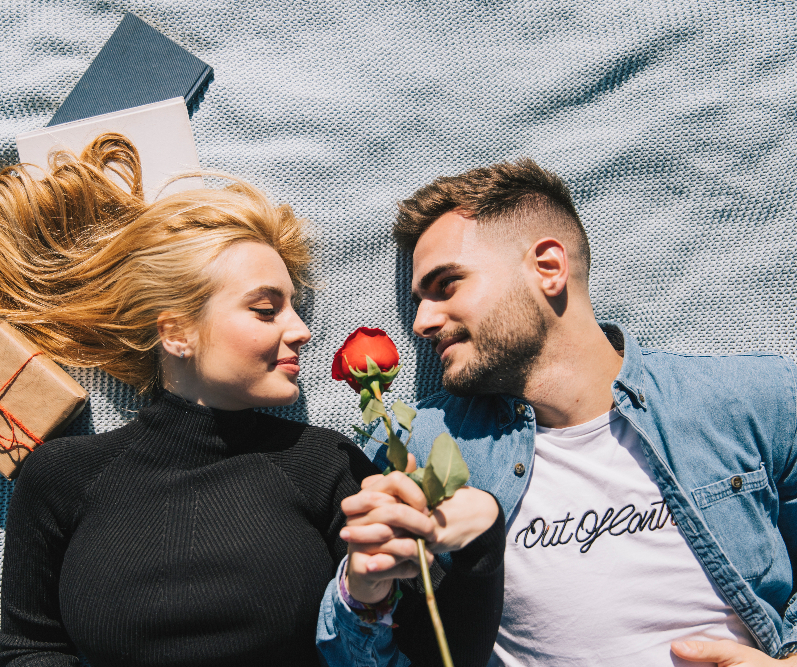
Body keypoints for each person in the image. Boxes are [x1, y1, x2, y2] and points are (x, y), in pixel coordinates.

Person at [0, 134, 505, 666]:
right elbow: (30, 650)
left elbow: (422, 653)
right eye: (267, 308)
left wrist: (477, 549)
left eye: (295, 307)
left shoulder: (327, 466)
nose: (301, 330)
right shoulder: (61, 476)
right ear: (177, 333)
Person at [334, 158, 797, 666]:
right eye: (419, 299)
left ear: (548, 268)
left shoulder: (748, 398)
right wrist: (363, 596)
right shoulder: (414, 451)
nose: (422, 322)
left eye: (446, 285)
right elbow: (358, 656)